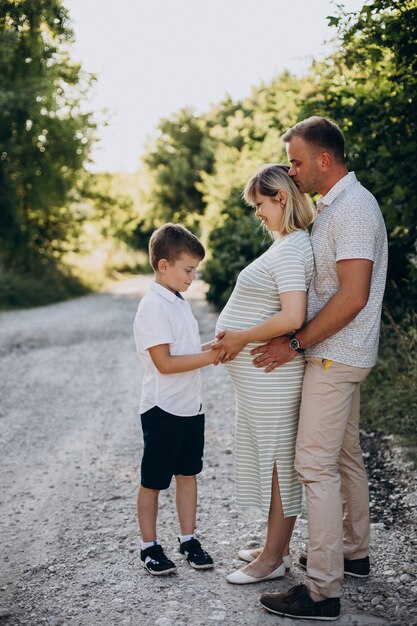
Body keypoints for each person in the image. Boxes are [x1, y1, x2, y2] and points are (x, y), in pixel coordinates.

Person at [255, 117, 388, 621]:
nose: (292, 170)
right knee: (345, 455)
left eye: (296, 161)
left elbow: (352, 297)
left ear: (325, 160)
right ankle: (352, 553)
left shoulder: (353, 209)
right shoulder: (337, 208)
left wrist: (294, 342)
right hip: (342, 353)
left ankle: (320, 591)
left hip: (336, 355)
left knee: (312, 463)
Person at [212, 164, 315, 584]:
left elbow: (293, 315)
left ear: (282, 198)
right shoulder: (286, 245)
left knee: (278, 466)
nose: (258, 213)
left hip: (272, 378)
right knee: (272, 462)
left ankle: (271, 560)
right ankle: (279, 546)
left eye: (260, 204)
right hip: (261, 380)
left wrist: (240, 338)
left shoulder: (292, 248)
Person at [133, 223, 216, 576]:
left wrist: (217, 347)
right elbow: (165, 364)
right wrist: (212, 357)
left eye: (195, 271)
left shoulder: (179, 301)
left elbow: (185, 352)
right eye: (188, 270)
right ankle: (149, 547)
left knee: (188, 473)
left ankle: (188, 539)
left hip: (190, 407)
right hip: (161, 408)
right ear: (163, 265)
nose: (192, 278)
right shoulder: (153, 306)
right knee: (153, 480)